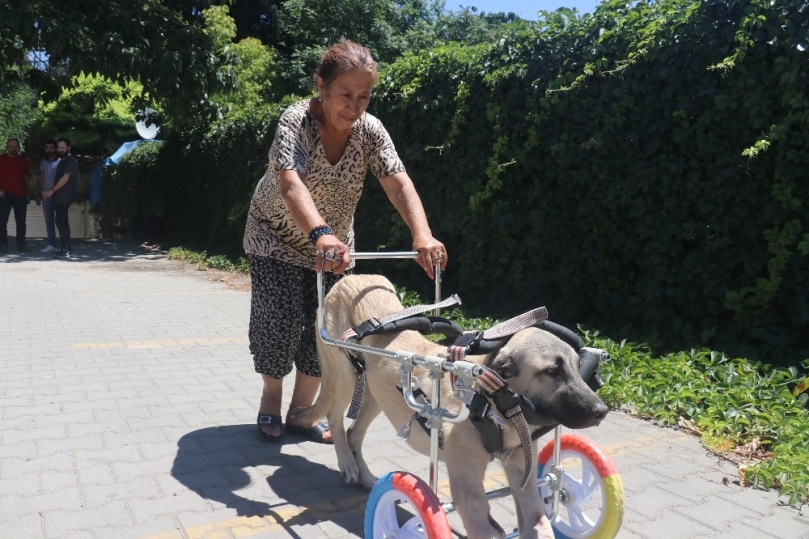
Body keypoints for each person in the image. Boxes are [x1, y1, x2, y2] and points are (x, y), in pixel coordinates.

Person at [243, 40, 448, 443]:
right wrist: (319, 233)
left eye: (364, 96)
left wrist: (422, 234)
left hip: (335, 246)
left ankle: (302, 413)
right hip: (275, 237)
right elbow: (290, 182)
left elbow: (398, 182)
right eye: (345, 95)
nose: (355, 107)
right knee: (279, 321)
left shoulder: (370, 131)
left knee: (328, 330)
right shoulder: (296, 120)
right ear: (320, 85)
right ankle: (270, 399)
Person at [42, 138, 79, 259]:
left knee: (60, 221)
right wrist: (49, 190)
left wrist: (52, 190)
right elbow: (57, 179)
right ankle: (66, 249)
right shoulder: (62, 161)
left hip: (64, 196)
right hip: (59, 197)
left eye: (63, 147)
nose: (60, 149)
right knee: (63, 222)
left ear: (69, 148)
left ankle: (66, 250)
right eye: (59, 147)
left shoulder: (71, 161)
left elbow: (65, 178)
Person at [0, 138, 32, 253]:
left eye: (15, 146)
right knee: (2, 221)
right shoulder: (1, 159)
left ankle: (21, 244)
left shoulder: (23, 161)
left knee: (21, 222)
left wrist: (28, 194)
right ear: (7, 147)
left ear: (19, 147)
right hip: (5, 195)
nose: (13, 149)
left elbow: (26, 178)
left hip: (21, 196)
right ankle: (3, 244)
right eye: (11, 146)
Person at [38, 139, 60, 253]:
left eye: (51, 147)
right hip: (46, 195)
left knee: (61, 220)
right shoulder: (43, 162)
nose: (49, 150)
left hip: (59, 195)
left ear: (55, 148)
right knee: (49, 221)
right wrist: (39, 193)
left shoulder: (61, 161)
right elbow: (41, 178)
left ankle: (65, 245)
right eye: (47, 148)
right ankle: (52, 244)